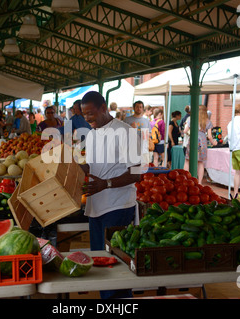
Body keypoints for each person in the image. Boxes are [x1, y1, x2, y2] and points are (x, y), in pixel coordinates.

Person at [80, 91, 142, 299]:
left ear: (104, 108)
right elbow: (93, 164)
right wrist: (76, 169)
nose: (87, 119)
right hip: (95, 207)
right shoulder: (91, 134)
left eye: (91, 113)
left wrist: (106, 184)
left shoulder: (125, 132)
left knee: (117, 269)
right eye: (84, 115)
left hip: (118, 208)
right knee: (101, 266)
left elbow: (137, 172)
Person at [184, 105, 218, 185]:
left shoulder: (191, 119)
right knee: (200, 163)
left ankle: (185, 180)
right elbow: (209, 136)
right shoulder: (208, 122)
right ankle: (199, 183)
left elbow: (185, 131)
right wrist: (213, 142)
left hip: (193, 140)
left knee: (187, 161)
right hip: (202, 141)